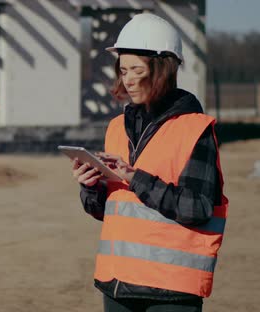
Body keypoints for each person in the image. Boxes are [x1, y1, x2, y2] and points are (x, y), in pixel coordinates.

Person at [71, 13, 229, 312]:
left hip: (170, 290)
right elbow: (108, 210)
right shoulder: (117, 127)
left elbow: (197, 208)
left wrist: (134, 177)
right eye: (123, 70)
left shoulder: (195, 129)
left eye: (135, 70)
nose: (127, 79)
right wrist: (91, 186)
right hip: (117, 284)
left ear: (161, 69)